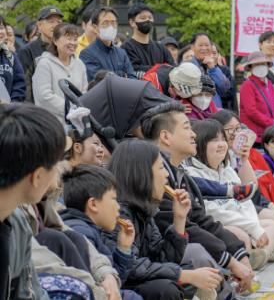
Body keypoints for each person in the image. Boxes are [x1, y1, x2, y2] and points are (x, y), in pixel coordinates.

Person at [140, 102, 255, 291]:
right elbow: (187, 228)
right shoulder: (152, 175)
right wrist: (231, 262)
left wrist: (237, 252)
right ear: (166, 137)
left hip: (173, 254)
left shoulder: (176, 172)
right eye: (187, 128)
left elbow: (200, 219)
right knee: (196, 252)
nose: (194, 134)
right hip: (157, 263)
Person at [107, 139, 225, 300]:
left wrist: (179, 218)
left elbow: (163, 259)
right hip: (119, 286)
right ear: (142, 173)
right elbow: (131, 267)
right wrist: (183, 275)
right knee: (166, 288)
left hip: (136, 280)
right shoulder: (117, 213)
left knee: (187, 272)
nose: (167, 175)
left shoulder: (143, 211)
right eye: (161, 168)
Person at [183, 120, 274, 266]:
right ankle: (255, 257)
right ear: (199, 143)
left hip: (240, 219)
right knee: (241, 236)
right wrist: (252, 229)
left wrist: (254, 227)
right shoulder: (192, 173)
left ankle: (259, 256)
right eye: (214, 140)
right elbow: (213, 212)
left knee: (272, 225)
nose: (221, 144)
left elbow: (246, 199)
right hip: (218, 223)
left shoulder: (227, 169)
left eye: (223, 139)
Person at [0, 104, 67, 299]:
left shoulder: (18, 224)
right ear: (37, 176)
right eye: (55, 165)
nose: (58, 174)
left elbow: (30, 292)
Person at [211, 110, 274, 231]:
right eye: (230, 129)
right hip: (229, 206)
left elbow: (251, 186)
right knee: (273, 217)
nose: (236, 133)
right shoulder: (217, 156)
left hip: (246, 201)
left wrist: (244, 159)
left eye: (238, 128)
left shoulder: (238, 154)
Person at [59, 165, 138, 297]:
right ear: (93, 204)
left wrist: (123, 248)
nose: (118, 207)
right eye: (114, 199)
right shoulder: (81, 232)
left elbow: (113, 281)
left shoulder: (90, 229)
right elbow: (100, 286)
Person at [33, 23, 88, 123]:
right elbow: (44, 96)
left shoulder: (80, 64)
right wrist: (70, 108)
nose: (73, 43)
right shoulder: (45, 64)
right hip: (51, 123)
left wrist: (79, 109)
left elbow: (84, 91)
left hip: (78, 122)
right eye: (68, 39)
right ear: (55, 40)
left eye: (75, 39)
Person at [18, 6, 64, 101]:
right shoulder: (27, 51)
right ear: (39, 25)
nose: (55, 25)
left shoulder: (64, 49)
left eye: (59, 22)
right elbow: (25, 85)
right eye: (51, 22)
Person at [239, 51, 274, 143]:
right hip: (255, 136)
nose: (260, 67)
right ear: (251, 67)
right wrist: (272, 122)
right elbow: (251, 112)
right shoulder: (247, 85)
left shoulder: (269, 84)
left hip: (270, 133)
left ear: (267, 66)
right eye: (257, 64)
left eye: (263, 64)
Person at [80, 7, 136, 81]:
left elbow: (132, 78)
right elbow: (99, 81)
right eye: (105, 23)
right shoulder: (87, 54)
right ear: (95, 28)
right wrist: (122, 75)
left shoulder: (121, 53)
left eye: (113, 23)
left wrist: (115, 76)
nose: (110, 27)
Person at [123, 3, 174, 78]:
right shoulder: (126, 47)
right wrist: (161, 69)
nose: (147, 20)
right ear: (132, 22)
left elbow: (172, 68)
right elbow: (134, 69)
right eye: (143, 18)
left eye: (150, 17)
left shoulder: (161, 47)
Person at [189, 33, 231, 110]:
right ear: (192, 47)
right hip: (196, 112)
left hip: (215, 111)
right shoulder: (188, 66)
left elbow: (225, 88)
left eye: (207, 45)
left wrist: (213, 68)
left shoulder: (213, 66)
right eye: (200, 45)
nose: (204, 48)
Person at [0, 17, 26, 101]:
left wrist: (13, 104)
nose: (0, 32)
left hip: (9, 107)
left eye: (1, 28)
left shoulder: (11, 56)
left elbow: (20, 83)